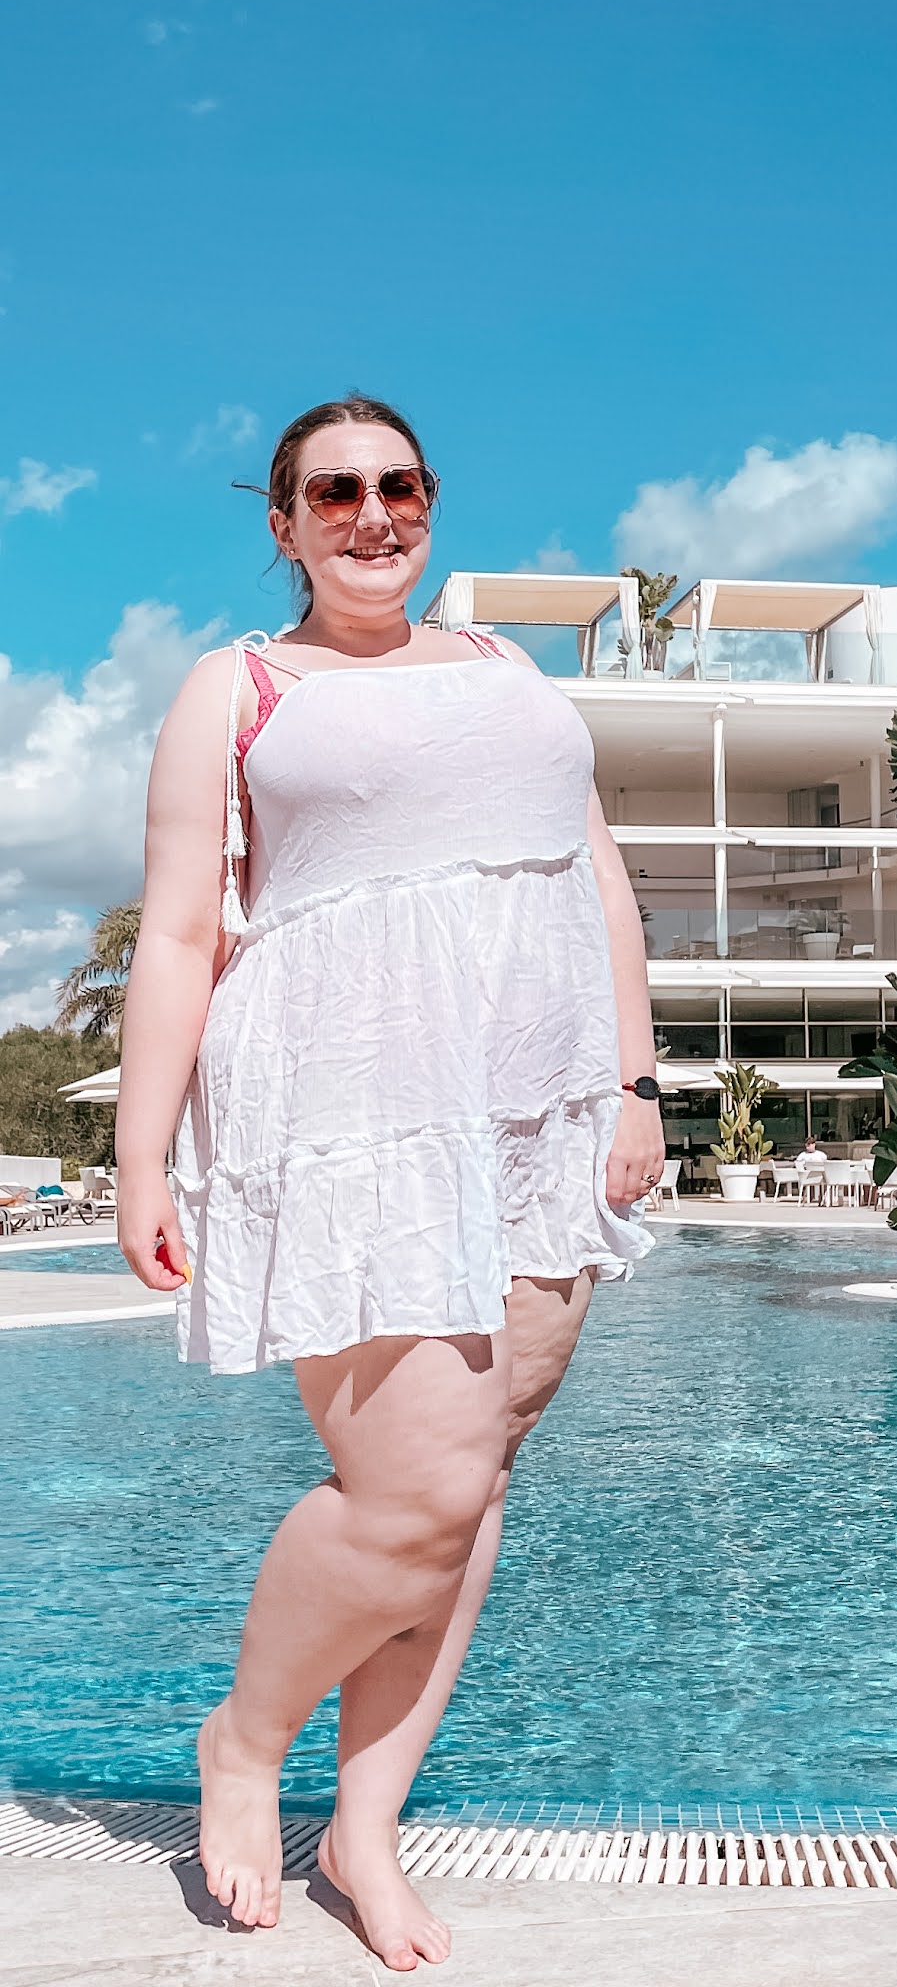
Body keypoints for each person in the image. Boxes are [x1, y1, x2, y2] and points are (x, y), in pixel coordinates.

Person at [115, 394, 660, 1971]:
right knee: (414, 1493)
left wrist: (632, 1084)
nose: (374, 512)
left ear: (431, 501)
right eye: (333, 491)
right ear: (282, 522)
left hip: (538, 1111)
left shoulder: (505, 669)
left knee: (476, 1482)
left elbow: (596, 875)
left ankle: (369, 1826)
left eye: (400, 484)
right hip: (352, 1109)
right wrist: (142, 1151)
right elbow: (176, 932)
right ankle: (242, 1740)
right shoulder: (240, 684)